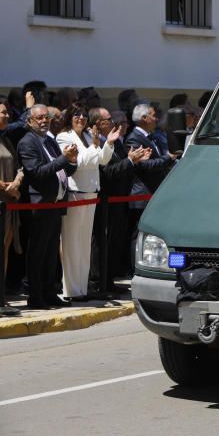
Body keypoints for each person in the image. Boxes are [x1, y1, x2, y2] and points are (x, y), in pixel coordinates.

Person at [18, 104, 78, 309]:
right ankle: (35, 296)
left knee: (51, 251)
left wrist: (72, 160)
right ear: (29, 121)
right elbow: (37, 172)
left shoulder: (50, 141)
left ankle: (49, 292)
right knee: (38, 251)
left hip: (56, 202)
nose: (44, 121)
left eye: (46, 117)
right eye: (39, 118)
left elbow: (65, 170)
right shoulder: (27, 142)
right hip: (39, 204)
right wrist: (63, 159)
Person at [57, 105, 119, 300]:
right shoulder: (64, 137)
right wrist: (94, 145)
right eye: (77, 114)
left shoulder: (87, 136)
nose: (81, 118)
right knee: (71, 243)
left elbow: (101, 160)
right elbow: (79, 162)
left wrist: (108, 143)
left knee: (84, 243)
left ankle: (81, 289)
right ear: (69, 117)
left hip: (91, 192)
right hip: (75, 193)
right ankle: (71, 290)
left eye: (84, 115)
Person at [89, 108, 149, 291]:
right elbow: (106, 173)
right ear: (99, 124)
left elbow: (124, 165)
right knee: (101, 242)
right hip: (106, 200)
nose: (114, 123)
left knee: (115, 242)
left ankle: (109, 279)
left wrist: (136, 160)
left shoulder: (117, 142)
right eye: (109, 120)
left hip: (120, 200)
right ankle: (98, 281)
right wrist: (130, 161)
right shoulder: (96, 143)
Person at [127, 103, 176, 193]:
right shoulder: (134, 138)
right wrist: (169, 157)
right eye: (153, 115)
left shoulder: (152, 136)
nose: (156, 119)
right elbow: (144, 165)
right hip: (144, 194)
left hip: (156, 190)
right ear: (144, 118)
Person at [0, 99, 24, 278]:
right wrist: (3, 186)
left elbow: (19, 166)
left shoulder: (6, 140)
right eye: (3, 113)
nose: (7, 116)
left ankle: (2, 294)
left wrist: (16, 182)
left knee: (5, 246)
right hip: (3, 196)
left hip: (9, 200)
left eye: (7, 112)